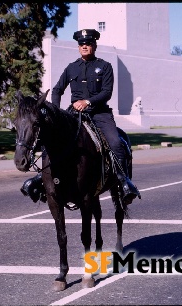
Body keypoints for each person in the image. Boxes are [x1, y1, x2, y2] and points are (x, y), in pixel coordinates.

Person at [21, 29, 141, 205]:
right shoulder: (72, 67)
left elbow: (106, 92)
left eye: (88, 43)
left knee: (115, 142)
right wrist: (56, 112)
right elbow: (57, 90)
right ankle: (41, 179)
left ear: (94, 45)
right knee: (52, 140)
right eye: (81, 44)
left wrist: (88, 102)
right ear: (79, 47)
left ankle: (124, 182)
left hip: (99, 113)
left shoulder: (105, 66)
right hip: (73, 114)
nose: (85, 46)